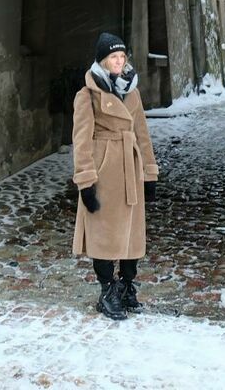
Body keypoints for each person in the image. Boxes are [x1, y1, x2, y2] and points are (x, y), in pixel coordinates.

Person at [71, 32, 159, 321]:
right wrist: (85, 182)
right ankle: (107, 290)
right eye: (113, 57)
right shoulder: (87, 95)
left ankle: (127, 286)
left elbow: (142, 134)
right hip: (104, 170)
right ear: (102, 61)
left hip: (130, 169)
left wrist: (149, 173)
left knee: (132, 234)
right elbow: (81, 140)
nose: (119, 61)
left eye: (122, 56)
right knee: (105, 234)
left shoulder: (131, 91)